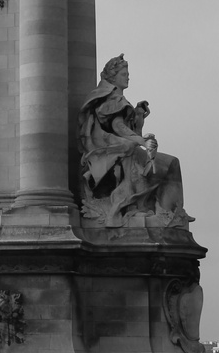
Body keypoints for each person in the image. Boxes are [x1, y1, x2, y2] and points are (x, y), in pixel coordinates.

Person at [78, 54, 186, 226]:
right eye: (123, 73)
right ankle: (161, 214)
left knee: (170, 164)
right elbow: (118, 127)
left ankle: (167, 213)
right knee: (170, 164)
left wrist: (138, 119)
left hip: (123, 150)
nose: (128, 76)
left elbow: (125, 131)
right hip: (115, 152)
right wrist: (142, 141)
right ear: (112, 77)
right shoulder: (113, 99)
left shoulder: (116, 100)